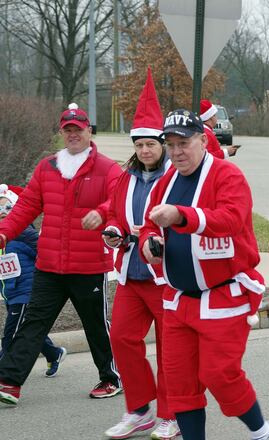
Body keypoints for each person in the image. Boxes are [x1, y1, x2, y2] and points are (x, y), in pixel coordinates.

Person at [139, 109, 269, 440]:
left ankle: (262, 431)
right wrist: (149, 243)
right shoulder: (165, 183)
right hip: (177, 300)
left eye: (183, 143)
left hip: (222, 294)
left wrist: (180, 216)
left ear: (203, 140)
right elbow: (149, 224)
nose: (176, 152)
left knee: (220, 375)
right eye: (170, 145)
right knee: (179, 382)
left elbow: (231, 218)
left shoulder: (227, 176)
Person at [0, 103, 123, 406]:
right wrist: (4, 232)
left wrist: (105, 217)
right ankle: (9, 382)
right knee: (33, 323)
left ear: (88, 130)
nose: (73, 134)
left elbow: (120, 205)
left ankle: (111, 378)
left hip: (88, 266)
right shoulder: (47, 167)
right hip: (50, 265)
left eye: (78, 129)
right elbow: (26, 206)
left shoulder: (108, 169)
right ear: (61, 133)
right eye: (67, 130)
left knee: (96, 326)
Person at [102, 68, 180, 440]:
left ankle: (171, 415)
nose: (145, 150)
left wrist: (157, 235)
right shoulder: (125, 178)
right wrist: (115, 233)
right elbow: (117, 215)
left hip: (166, 276)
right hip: (131, 273)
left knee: (170, 349)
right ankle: (139, 409)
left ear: (162, 144)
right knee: (121, 338)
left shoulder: (176, 177)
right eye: (139, 145)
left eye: (151, 143)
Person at [0, 185, 67, 378]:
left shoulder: (24, 232)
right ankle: (54, 353)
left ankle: (5, 372)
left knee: (11, 335)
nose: (3, 213)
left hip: (26, 291)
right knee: (29, 329)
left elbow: (45, 251)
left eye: (8, 208)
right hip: (10, 293)